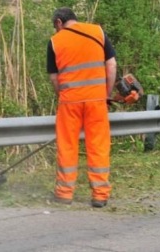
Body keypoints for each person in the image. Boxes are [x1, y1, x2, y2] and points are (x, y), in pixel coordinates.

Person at [46, 7, 117, 208]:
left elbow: (54, 77)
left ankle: (64, 193)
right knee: (98, 145)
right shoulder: (97, 32)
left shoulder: (55, 42)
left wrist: (65, 95)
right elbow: (111, 66)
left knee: (67, 145)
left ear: (59, 22)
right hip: (96, 100)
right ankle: (100, 194)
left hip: (70, 102)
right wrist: (105, 94)